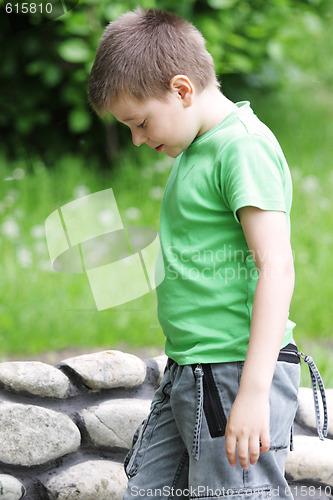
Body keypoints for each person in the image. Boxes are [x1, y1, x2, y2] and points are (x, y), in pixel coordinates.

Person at [88, 8, 301, 499]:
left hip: (234, 372)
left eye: (140, 123)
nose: (138, 139)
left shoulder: (240, 149)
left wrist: (252, 394)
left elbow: (278, 267)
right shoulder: (197, 150)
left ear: (182, 90)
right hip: (190, 370)